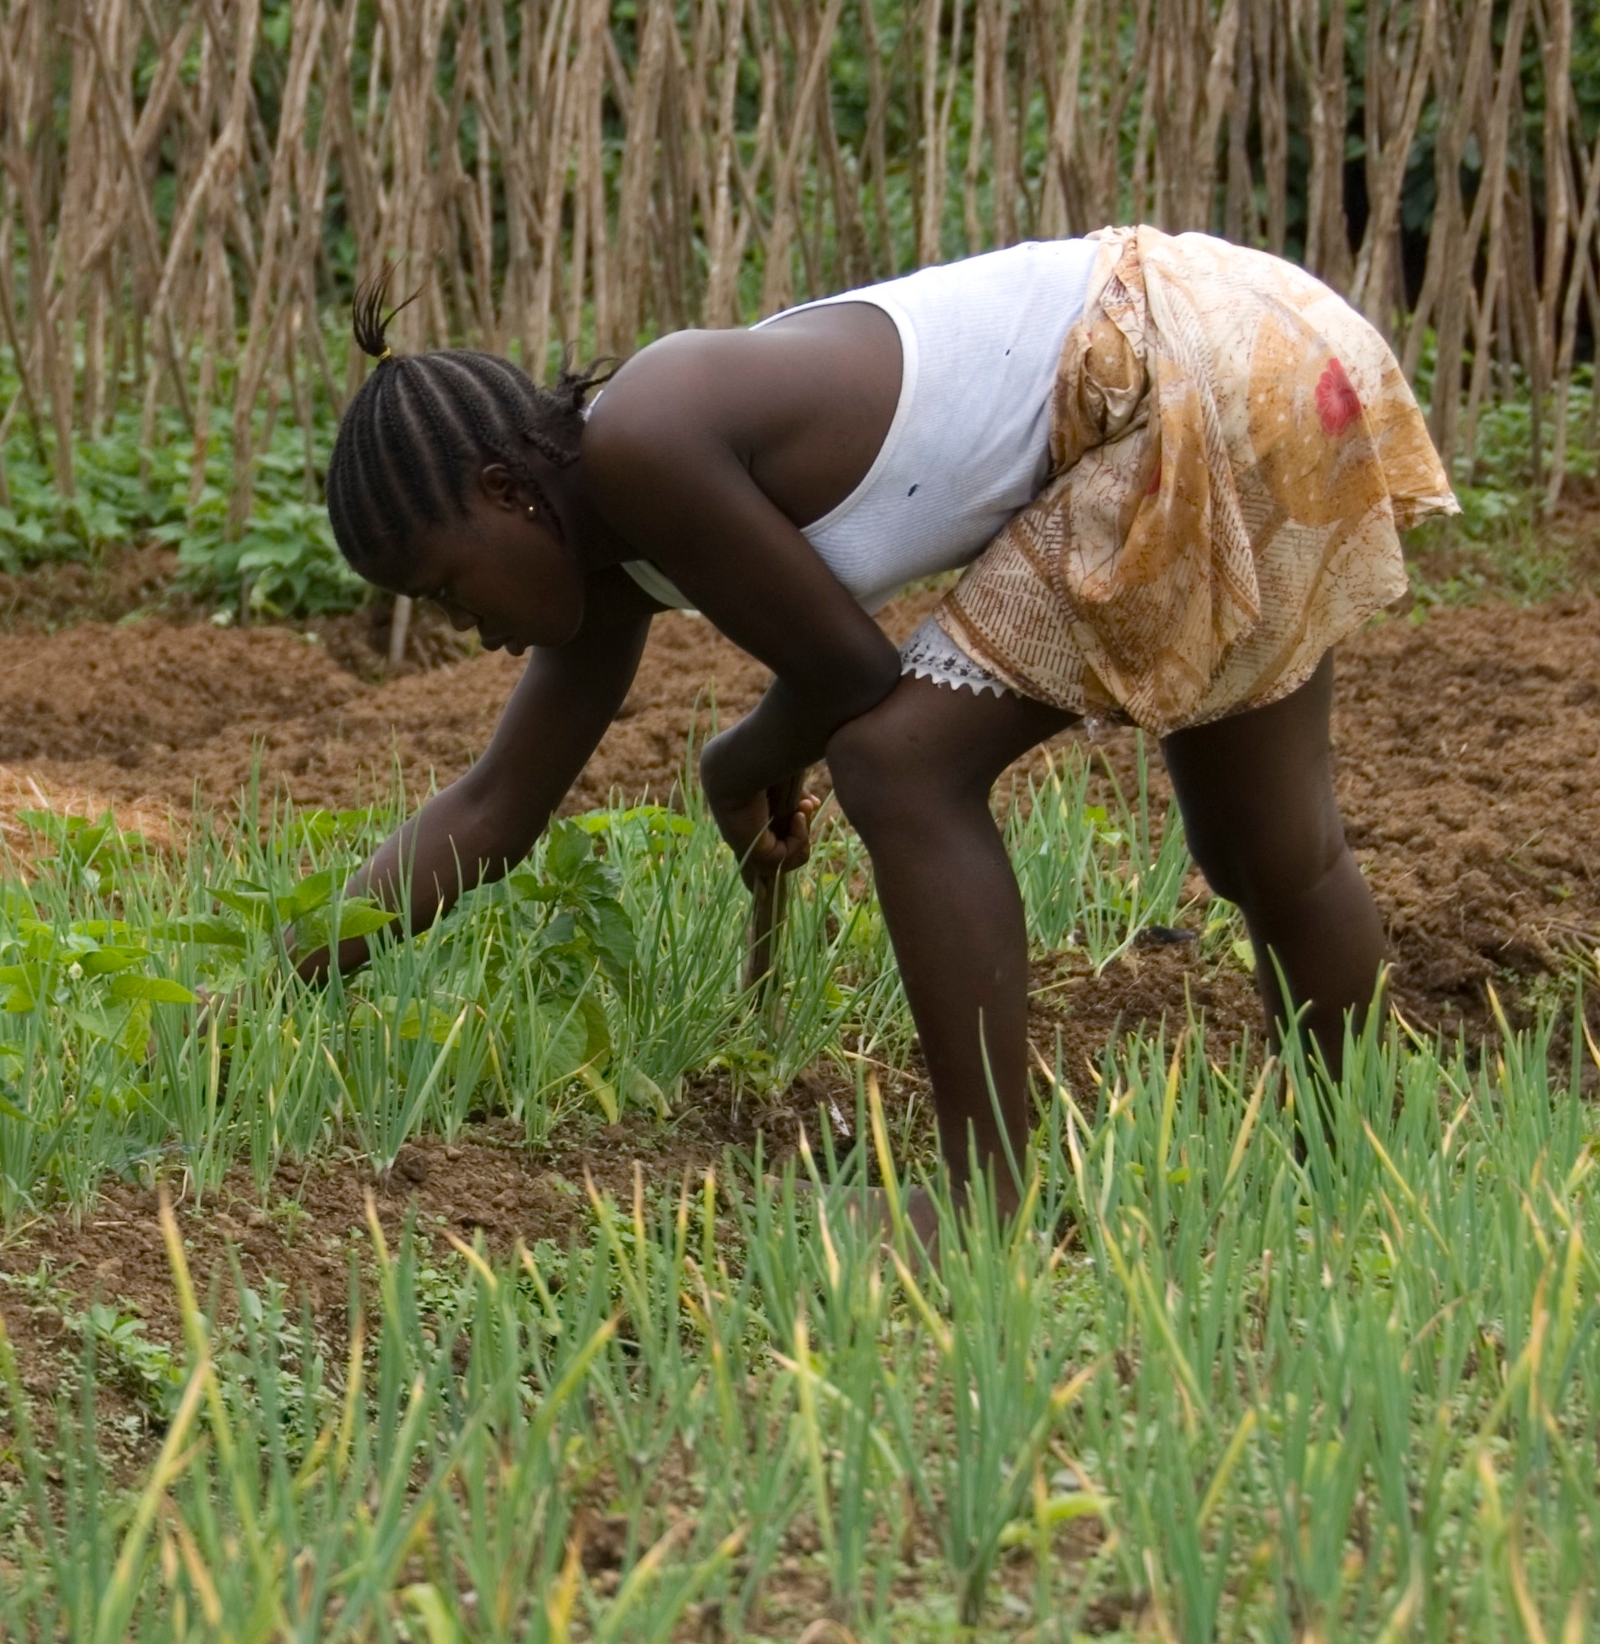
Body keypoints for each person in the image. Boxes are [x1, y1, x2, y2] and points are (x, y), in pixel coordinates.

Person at [294, 228, 1455, 1213]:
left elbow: (849, 676)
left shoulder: (643, 439)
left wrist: (737, 761)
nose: (465, 629)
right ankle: (1355, 1185)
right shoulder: (602, 551)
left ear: (506, 495)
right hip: (1265, 339)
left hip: (1170, 372)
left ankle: (976, 1206)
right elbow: (495, 807)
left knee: (898, 766)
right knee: (1267, 850)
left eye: (448, 588)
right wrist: (287, 977)